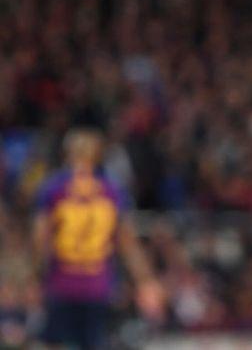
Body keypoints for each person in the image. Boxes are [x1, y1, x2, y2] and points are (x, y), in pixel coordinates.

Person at [33, 128, 164, 349]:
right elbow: (127, 242)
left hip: (61, 283)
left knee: (54, 342)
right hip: (97, 284)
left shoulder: (53, 188)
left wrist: (37, 277)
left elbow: (40, 238)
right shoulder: (112, 190)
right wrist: (145, 280)